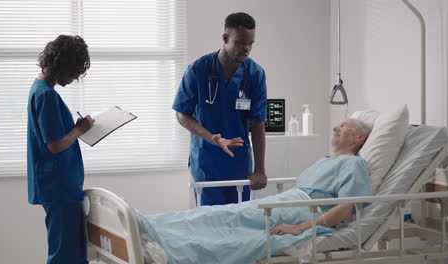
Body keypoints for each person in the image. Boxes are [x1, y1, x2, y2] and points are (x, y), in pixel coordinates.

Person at [136, 118, 372, 264]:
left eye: (344, 126)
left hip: (300, 212)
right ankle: (150, 227)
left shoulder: (354, 164)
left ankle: (165, 250)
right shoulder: (325, 161)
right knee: (218, 215)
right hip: (287, 203)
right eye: (338, 124)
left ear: (359, 137)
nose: (335, 127)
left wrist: (300, 228)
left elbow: (346, 207)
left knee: (226, 222)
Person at [172, 12, 268, 206]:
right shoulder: (198, 70)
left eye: (251, 43)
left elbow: (258, 124)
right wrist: (211, 138)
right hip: (206, 160)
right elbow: (182, 114)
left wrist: (259, 169)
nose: (247, 48)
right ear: (225, 38)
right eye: (241, 42)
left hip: (239, 162)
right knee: (210, 222)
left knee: (239, 220)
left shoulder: (255, 74)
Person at [27, 35, 94, 264]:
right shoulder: (46, 96)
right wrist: (80, 129)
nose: (75, 77)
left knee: (72, 251)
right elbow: (55, 145)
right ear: (62, 65)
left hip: (59, 185)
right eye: (74, 71)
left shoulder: (41, 89)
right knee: (64, 254)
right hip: (59, 186)